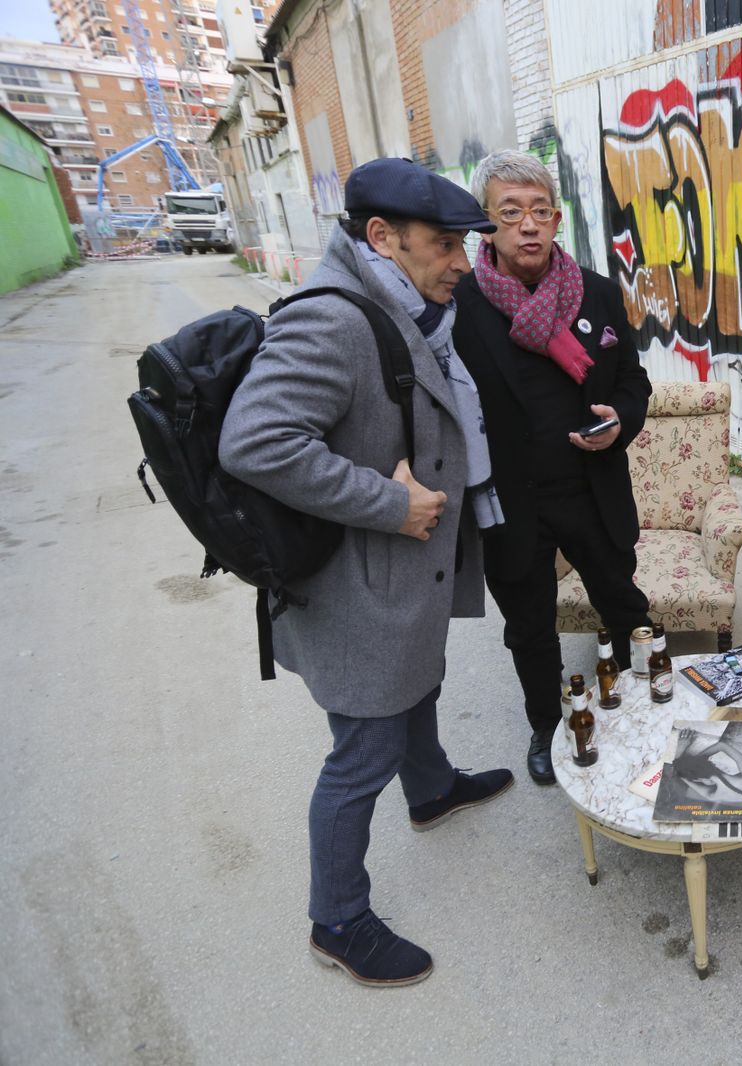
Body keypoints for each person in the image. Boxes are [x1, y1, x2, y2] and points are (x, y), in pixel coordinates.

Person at [219, 158, 514, 987]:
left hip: (394, 580)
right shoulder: (334, 321)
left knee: (417, 683)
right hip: (359, 584)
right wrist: (390, 507)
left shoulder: (403, 303)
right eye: (446, 244)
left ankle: (432, 790)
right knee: (361, 751)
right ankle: (338, 919)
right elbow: (254, 442)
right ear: (381, 238)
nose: (463, 261)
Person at [451, 150, 652, 786]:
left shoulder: (594, 291)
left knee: (623, 603)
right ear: (487, 225)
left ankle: (640, 704)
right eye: (511, 213)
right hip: (510, 500)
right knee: (530, 627)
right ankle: (548, 722)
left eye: (540, 211)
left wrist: (620, 420)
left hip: (589, 488)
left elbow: (633, 381)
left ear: (558, 219)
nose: (528, 226)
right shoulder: (459, 303)